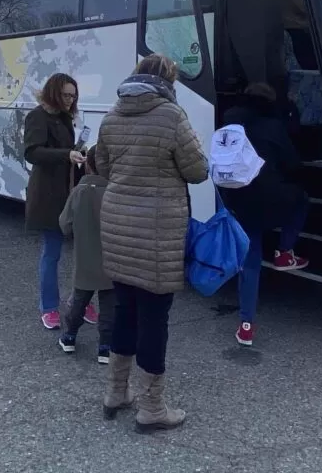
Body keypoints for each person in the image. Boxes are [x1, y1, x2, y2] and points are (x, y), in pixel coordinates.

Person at [95, 54, 209, 433]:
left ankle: (115, 392)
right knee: (154, 317)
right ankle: (152, 408)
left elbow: (103, 168)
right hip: (156, 230)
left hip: (117, 225)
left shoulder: (112, 116)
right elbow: (197, 171)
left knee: (125, 307)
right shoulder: (172, 116)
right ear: (168, 81)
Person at [219, 82, 310, 347]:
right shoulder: (273, 127)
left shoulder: (229, 125)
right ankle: (284, 251)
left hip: (238, 201)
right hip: (271, 200)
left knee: (250, 265)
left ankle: (246, 326)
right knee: (302, 200)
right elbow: (293, 164)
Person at [23, 73, 95, 330]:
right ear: (54, 91)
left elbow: (67, 150)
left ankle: (80, 301)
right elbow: (32, 152)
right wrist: (67, 154)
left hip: (71, 190)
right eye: (66, 95)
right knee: (51, 252)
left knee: (84, 253)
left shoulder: (66, 117)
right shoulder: (37, 116)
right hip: (48, 195)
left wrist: (79, 152)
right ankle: (49, 307)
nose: (70, 100)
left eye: (73, 96)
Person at [57, 145, 114, 364]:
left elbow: (65, 224)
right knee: (110, 305)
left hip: (85, 257)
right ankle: (105, 348)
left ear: (87, 165)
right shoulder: (113, 193)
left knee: (80, 300)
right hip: (111, 259)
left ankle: (70, 336)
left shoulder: (78, 192)